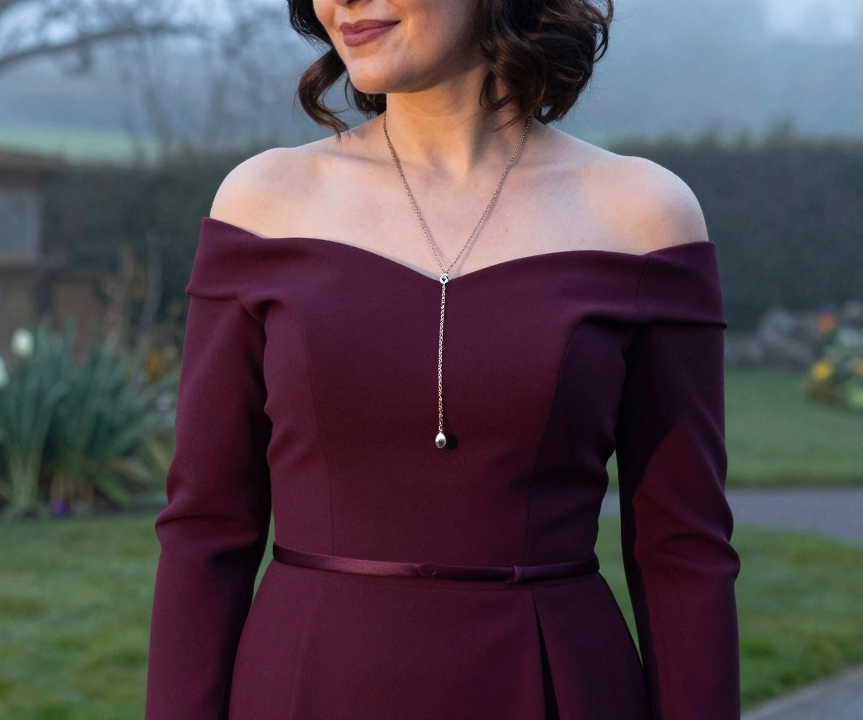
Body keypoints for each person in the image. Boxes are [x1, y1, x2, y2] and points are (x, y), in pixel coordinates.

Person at [145, 0, 741, 718]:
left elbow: (683, 552)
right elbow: (207, 528)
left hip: (558, 686)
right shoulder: (263, 205)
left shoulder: (642, 217)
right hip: (304, 685)